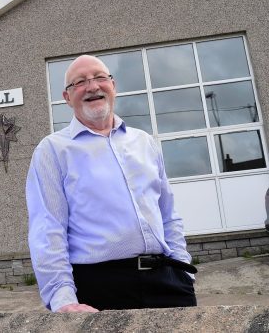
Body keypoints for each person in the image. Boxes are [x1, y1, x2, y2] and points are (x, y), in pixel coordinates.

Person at [26, 55, 197, 313]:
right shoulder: (53, 150)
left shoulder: (145, 142)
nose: (92, 86)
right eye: (79, 82)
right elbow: (48, 229)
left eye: (99, 77)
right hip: (99, 289)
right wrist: (63, 300)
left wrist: (183, 270)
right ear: (67, 97)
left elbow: (168, 214)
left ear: (113, 86)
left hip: (167, 281)